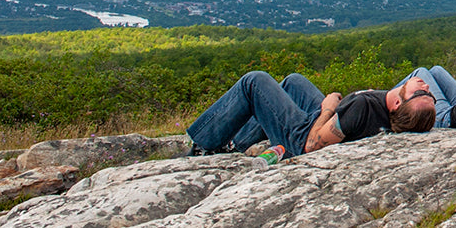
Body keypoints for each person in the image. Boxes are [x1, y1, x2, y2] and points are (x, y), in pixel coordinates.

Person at [187, 69, 437, 159]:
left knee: (255, 82)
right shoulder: (387, 109)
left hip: (301, 138)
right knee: (293, 83)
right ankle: (238, 143)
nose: (425, 85)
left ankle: (204, 145)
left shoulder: (363, 108)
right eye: (428, 93)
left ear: (396, 103)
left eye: (421, 92)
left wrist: (328, 107)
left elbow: (310, 146)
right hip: (329, 123)